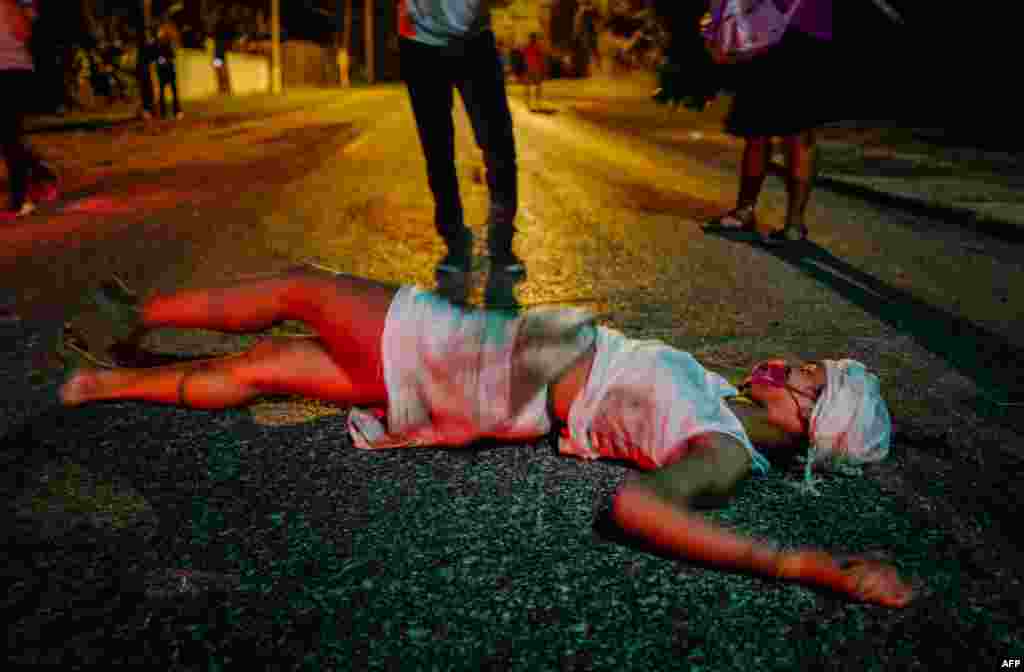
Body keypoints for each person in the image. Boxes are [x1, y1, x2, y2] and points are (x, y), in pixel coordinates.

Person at [57, 266, 912, 608]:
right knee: (272, 362)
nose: (794, 368)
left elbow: (639, 507)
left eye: (812, 380)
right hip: (491, 362)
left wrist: (801, 565)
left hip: (477, 362)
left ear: (812, 426)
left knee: (299, 285)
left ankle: (135, 317)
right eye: (810, 365)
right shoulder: (724, 395)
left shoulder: (723, 449)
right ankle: (104, 382)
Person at [397, 0, 524, 277]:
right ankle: (454, 240)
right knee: (437, 149)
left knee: (498, 144)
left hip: (474, 40)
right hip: (420, 44)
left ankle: (501, 240)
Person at [702, 0, 835, 244]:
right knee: (783, 130)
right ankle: (786, 223)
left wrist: (715, 28)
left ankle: (753, 214)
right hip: (794, 27)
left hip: (776, 26)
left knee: (776, 130)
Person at [1, 0, 57, 218]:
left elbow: (23, 32)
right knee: (7, 135)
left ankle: (20, 198)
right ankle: (38, 170)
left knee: (8, 133)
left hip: (12, 68)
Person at [155, 22, 182, 120]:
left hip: (169, 68)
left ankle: (176, 111)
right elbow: (157, 55)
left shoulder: (169, 43)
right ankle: (164, 113)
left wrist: (167, 59)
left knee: (173, 91)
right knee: (163, 92)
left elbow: (173, 53)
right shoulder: (158, 44)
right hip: (162, 69)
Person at [522, 33, 546, 111]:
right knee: (537, 86)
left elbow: (524, 58)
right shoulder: (537, 47)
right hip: (535, 68)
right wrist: (543, 68)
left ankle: (529, 103)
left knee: (529, 86)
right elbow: (541, 58)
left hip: (530, 68)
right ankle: (536, 103)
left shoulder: (527, 47)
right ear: (535, 39)